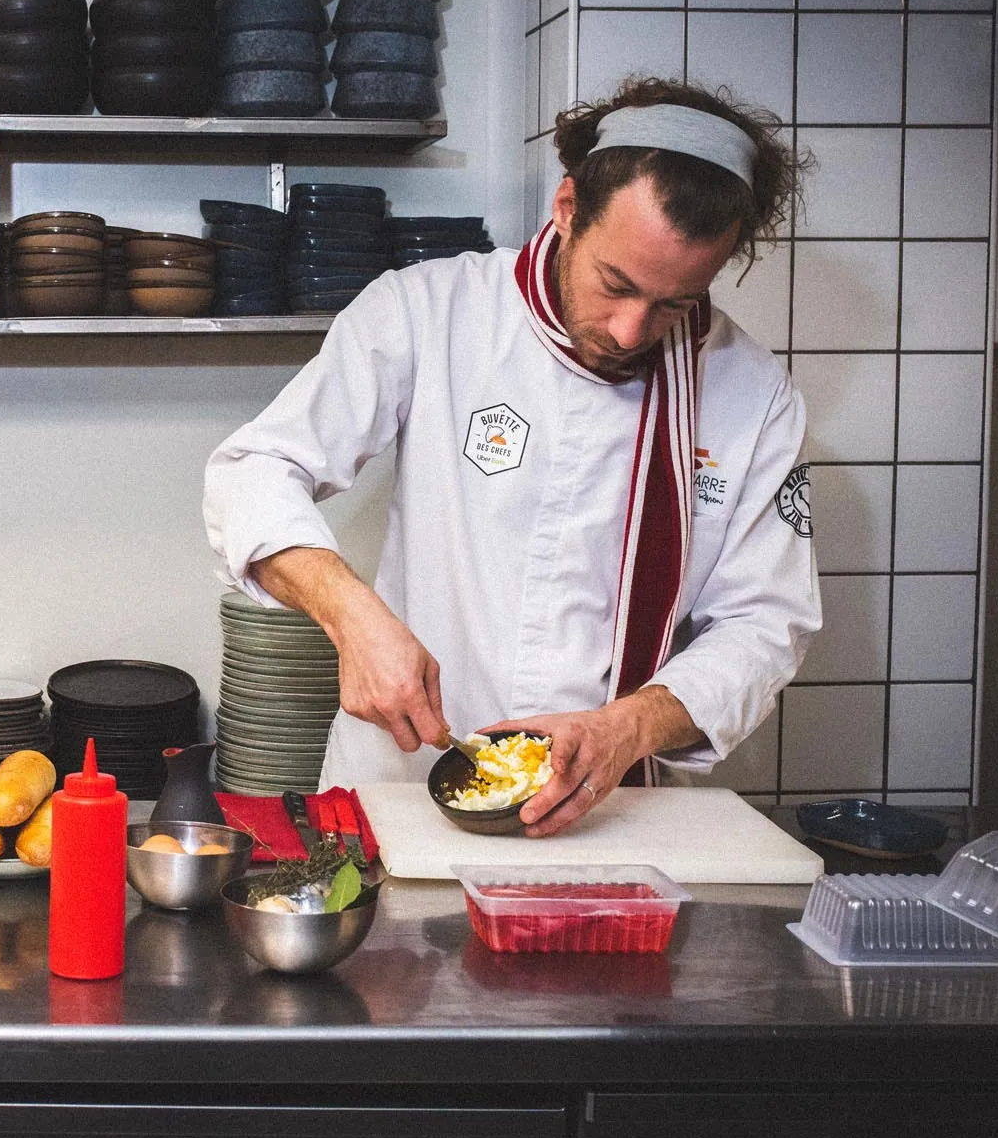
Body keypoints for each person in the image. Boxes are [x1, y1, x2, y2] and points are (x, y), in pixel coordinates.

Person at [203, 78, 821, 838]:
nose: (632, 331)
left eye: (674, 304)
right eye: (615, 285)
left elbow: (765, 623)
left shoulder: (754, 397)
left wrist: (627, 728)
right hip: (399, 792)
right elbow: (253, 471)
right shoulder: (430, 311)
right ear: (567, 210)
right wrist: (350, 613)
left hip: (613, 808)